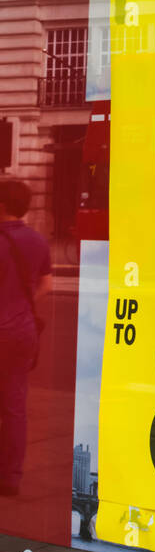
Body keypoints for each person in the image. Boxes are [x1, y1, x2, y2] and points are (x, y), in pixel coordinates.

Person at [0, 176, 52, 497]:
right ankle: (10, 478)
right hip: (22, 332)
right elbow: (46, 285)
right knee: (15, 405)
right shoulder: (37, 241)